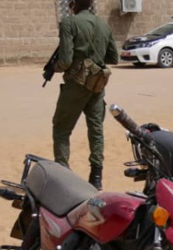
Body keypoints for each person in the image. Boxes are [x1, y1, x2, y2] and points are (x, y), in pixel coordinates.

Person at [52, 0, 119, 190]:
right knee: (96, 129)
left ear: (74, 4)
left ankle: (63, 175)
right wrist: (95, 58)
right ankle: (96, 176)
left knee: (61, 129)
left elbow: (65, 60)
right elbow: (113, 57)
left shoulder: (69, 23)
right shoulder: (104, 25)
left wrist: (56, 67)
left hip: (76, 84)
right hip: (97, 84)